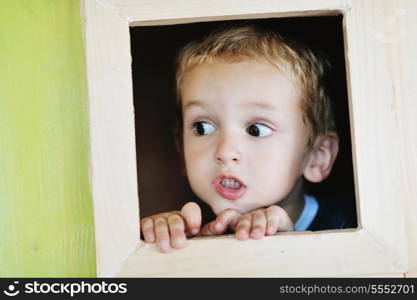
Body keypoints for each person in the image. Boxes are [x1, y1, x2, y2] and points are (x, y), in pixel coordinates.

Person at [140, 25, 356, 253]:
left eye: (256, 130)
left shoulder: (356, 224)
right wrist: (163, 245)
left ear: (316, 158)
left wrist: (290, 250)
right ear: (181, 149)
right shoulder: (190, 231)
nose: (225, 151)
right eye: (202, 127)